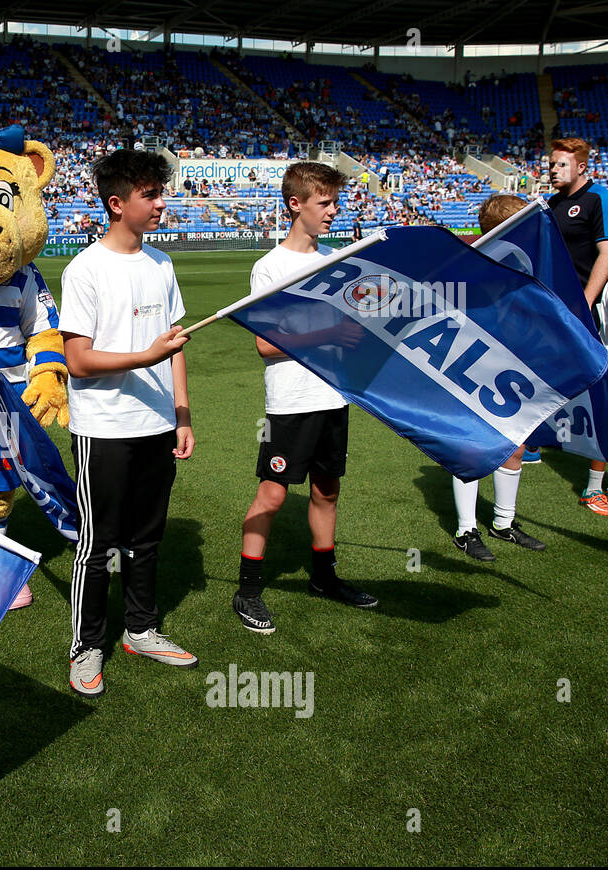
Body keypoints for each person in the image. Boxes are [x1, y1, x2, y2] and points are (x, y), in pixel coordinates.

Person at [60, 149, 198, 699]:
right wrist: (144, 357)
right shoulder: (85, 269)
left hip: (157, 426)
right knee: (99, 541)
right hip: (105, 428)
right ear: (117, 204)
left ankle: (141, 629)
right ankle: (87, 644)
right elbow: (78, 360)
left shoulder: (161, 264)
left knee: (147, 537)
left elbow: (176, 343)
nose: (162, 203)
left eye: (161, 192)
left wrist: (182, 412)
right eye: (150, 195)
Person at [232, 162, 377, 635]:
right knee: (272, 497)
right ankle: (248, 590)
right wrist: (331, 331)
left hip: (333, 399)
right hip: (291, 404)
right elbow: (265, 345)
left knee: (327, 491)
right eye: (325, 203)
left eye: (336, 202)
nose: (334, 211)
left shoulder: (336, 261)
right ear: (296, 205)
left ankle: (324, 579)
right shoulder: (270, 267)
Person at [451, 194, 545, 560]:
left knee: (515, 443)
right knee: (470, 445)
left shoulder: (523, 262)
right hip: (474, 362)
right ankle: (465, 529)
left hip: (513, 360)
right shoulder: (471, 263)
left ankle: (504, 522)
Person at [547, 138, 608, 515]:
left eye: (560, 165)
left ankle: (594, 487)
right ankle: (534, 445)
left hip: (589, 311)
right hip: (556, 310)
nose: (553, 170)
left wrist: (585, 303)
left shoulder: (597, 197)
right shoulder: (552, 205)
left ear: (581, 168)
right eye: (552, 164)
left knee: (600, 388)